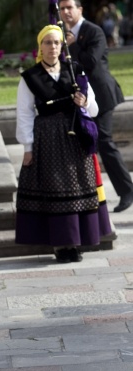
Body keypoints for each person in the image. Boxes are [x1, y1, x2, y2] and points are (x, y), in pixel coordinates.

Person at [15, 25, 111, 262]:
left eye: (57, 43)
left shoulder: (75, 70)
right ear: (40, 47)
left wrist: (84, 101)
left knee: (79, 187)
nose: (53, 47)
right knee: (55, 188)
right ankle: (61, 244)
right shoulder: (31, 76)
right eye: (47, 43)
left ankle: (77, 241)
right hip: (47, 139)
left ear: (62, 46)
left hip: (75, 135)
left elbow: (94, 108)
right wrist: (28, 147)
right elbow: (24, 114)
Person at [59, 0, 133, 212]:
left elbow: (91, 61)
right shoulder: (61, 34)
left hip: (101, 95)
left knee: (104, 141)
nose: (65, 12)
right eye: (62, 8)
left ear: (79, 10)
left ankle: (127, 191)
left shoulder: (94, 31)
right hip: (78, 97)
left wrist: (72, 45)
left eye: (69, 7)